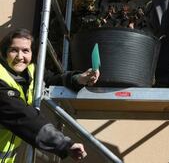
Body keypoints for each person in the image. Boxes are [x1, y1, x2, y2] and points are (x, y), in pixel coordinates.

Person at [0, 28, 100, 162]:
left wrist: (79, 78)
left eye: (25, 51)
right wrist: (63, 144)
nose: (20, 57)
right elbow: (23, 117)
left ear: (32, 54)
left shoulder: (31, 71)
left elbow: (54, 80)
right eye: (13, 50)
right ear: (5, 53)